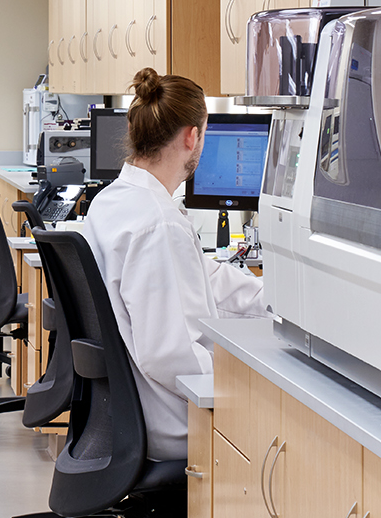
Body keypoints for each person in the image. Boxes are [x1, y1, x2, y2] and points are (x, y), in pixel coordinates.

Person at [81, 67, 265, 460]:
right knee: (286, 417)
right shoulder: (157, 224)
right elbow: (168, 353)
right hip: (170, 421)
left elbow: (205, 277)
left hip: (123, 408)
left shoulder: (115, 201)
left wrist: (275, 302)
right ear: (192, 136)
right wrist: (248, 384)